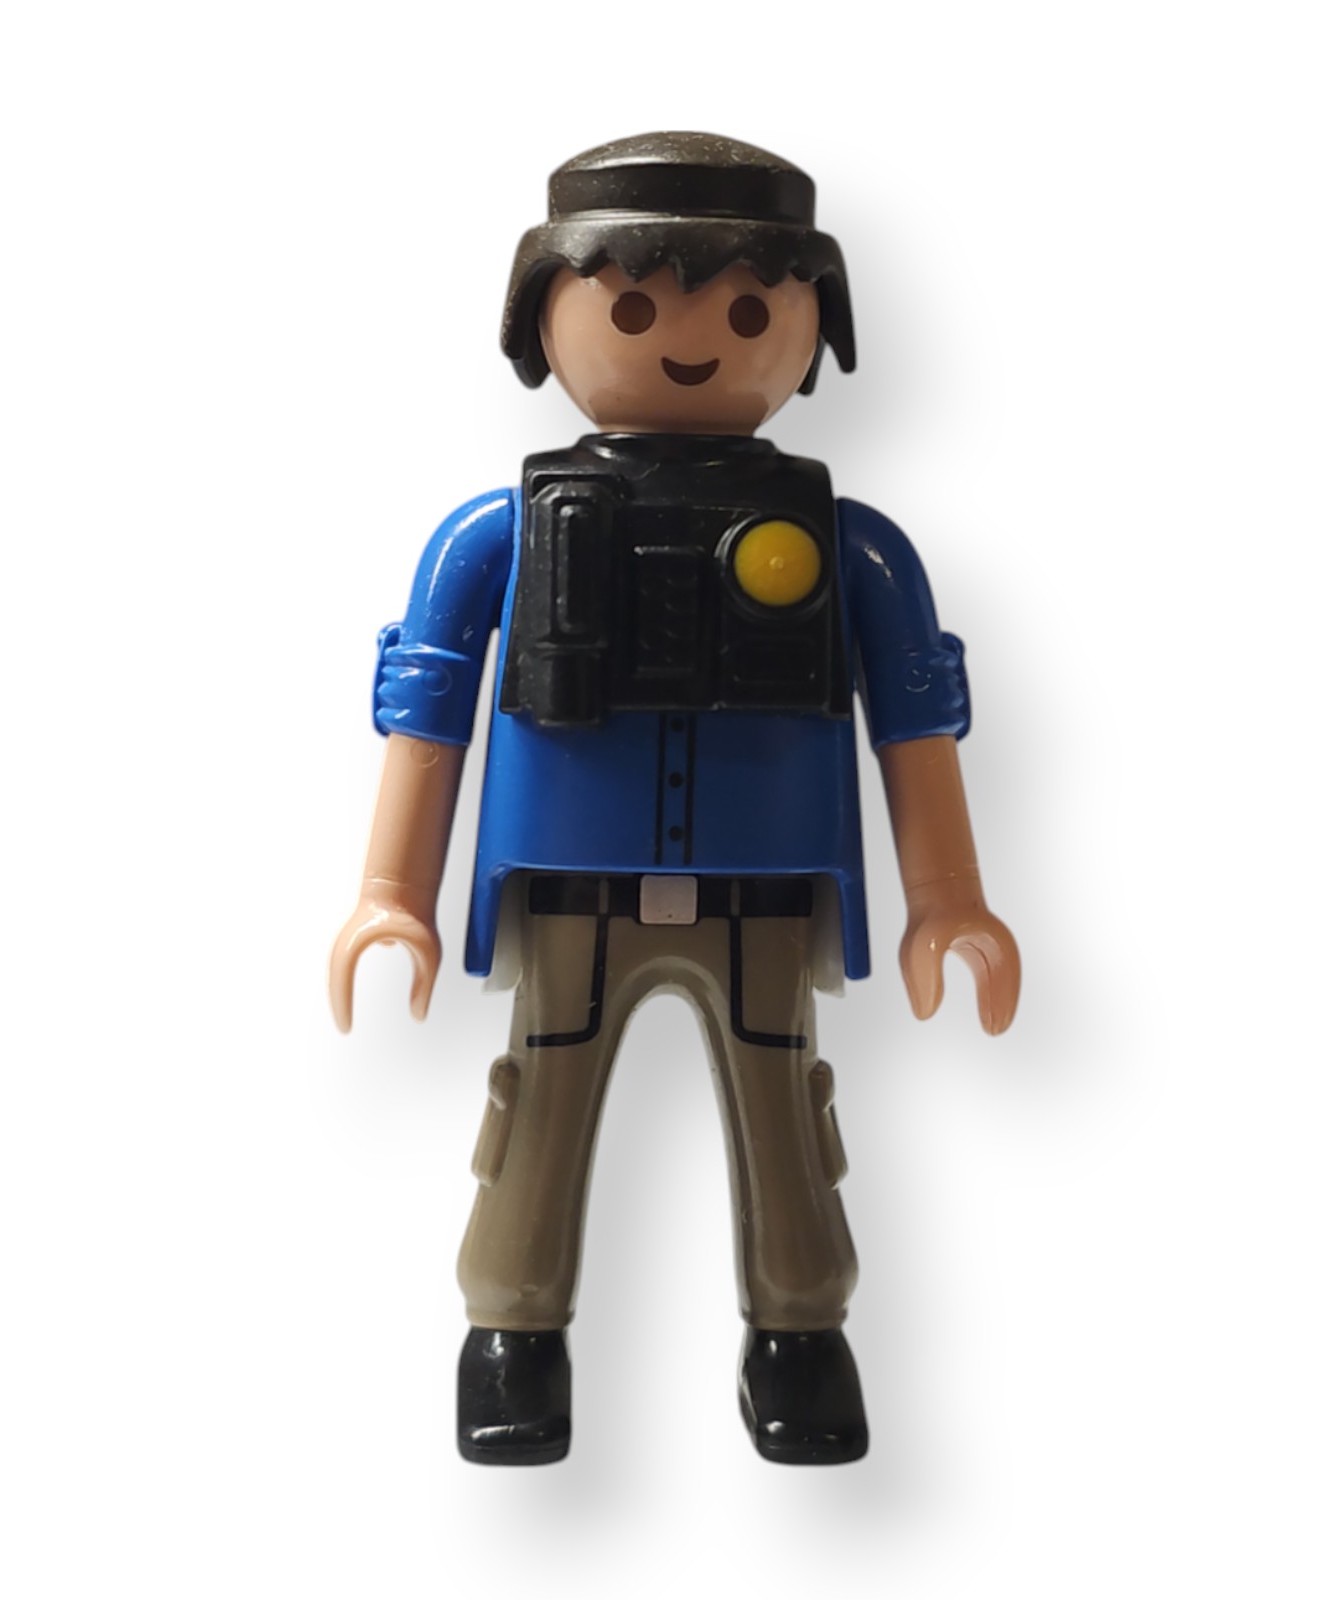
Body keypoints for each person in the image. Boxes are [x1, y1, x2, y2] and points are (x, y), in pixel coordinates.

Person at [329, 132, 1020, 1466]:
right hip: (569, 893)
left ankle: (801, 1332)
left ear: (811, 331)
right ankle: (513, 1329)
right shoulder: (497, 533)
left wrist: (951, 902)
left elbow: (915, 721)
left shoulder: (851, 546)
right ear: (545, 317)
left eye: (751, 314)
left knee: (785, 1108)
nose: (695, 344)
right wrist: (388, 894)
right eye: (635, 310)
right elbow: (427, 709)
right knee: (540, 1098)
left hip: (766, 894)